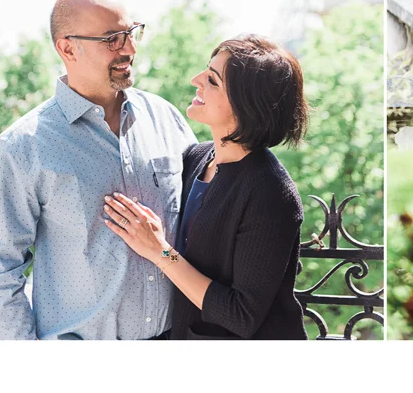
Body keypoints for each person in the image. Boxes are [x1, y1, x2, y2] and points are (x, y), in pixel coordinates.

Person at [0, 0, 197, 340]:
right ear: (68, 48)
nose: (129, 49)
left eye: (131, 33)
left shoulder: (166, 119)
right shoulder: (22, 147)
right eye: (112, 39)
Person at [103, 35, 309, 340]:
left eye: (212, 80)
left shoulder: (271, 193)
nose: (196, 80)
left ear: (246, 104)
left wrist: (161, 252)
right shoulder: (197, 157)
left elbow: (241, 315)